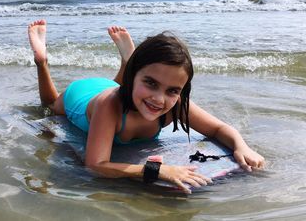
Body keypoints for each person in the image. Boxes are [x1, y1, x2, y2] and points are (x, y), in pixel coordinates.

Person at [28, 19, 265, 194]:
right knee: (49, 106)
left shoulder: (175, 104)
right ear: (137, 76)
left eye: (172, 90)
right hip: (82, 96)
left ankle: (128, 63)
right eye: (152, 83)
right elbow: (95, 165)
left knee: (133, 94)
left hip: (121, 88)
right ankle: (42, 60)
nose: (160, 99)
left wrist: (241, 146)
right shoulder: (109, 107)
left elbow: (218, 128)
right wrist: (156, 171)